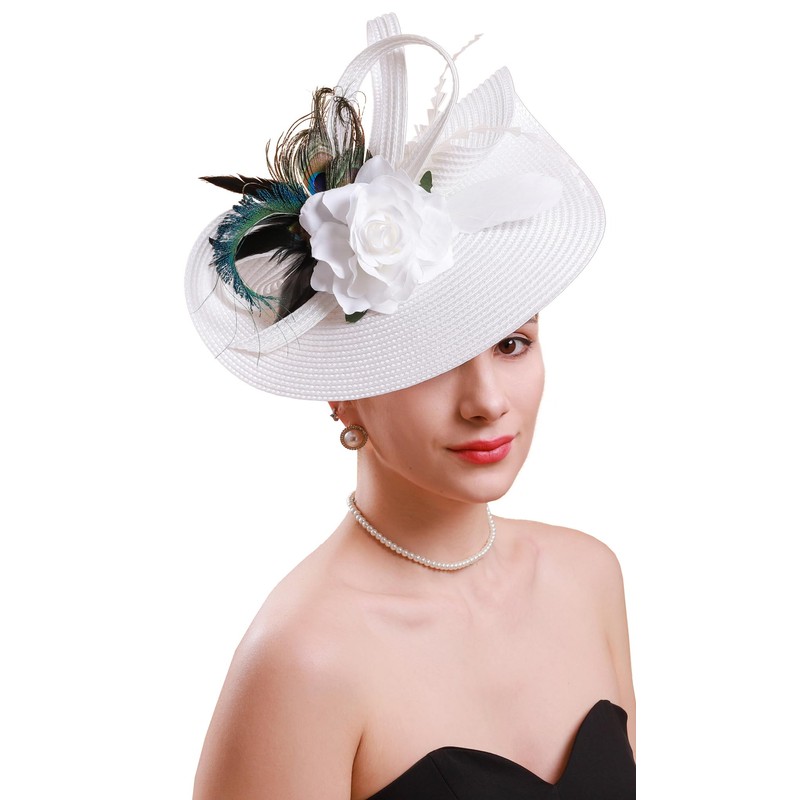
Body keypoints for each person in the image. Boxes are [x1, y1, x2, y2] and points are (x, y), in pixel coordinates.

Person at [185, 13, 635, 800]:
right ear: (342, 392)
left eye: (513, 343)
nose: (486, 403)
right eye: (430, 363)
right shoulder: (304, 661)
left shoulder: (588, 576)